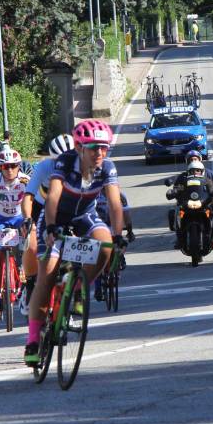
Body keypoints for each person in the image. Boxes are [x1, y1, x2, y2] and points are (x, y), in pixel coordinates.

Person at [24, 119, 126, 365]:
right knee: (46, 275)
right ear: (80, 147)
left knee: (105, 247)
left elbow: (114, 204)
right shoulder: (66, 162)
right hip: (56, 217)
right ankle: (33, 339)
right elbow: (54, 197)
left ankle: (78, 287)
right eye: (93, 148)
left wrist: (118, 235)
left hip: (85, 217)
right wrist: (49, 227)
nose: (99, 153)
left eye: (104, 147)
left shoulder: (107, 168)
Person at [24, 134, 75, 312]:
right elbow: (28, 196)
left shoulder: (81, 164)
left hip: (67, 207)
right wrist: (27, 219)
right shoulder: (44, 166)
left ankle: (73, 292)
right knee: (33, 246)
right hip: (41, 205)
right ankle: (31, 284)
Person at [0, 148, 33, 320]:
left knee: (30, 245)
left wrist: (30, 219)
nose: (9, 170)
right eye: (5, 167)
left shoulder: (26, 180)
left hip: (19, 217)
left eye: (13, 166)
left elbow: (32, 200)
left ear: (19, 166)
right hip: (0, 218)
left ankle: (25, 272)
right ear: (0, 168)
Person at [169, 150, 213, 247]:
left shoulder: (209, 175)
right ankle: (179, 235)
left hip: (206, 201)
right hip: (187, 202)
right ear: (187, 162)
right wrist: (174, 192)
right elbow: (177, 188)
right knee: (176, 211)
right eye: (191, 160)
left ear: (200, 160)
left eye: (195, 159)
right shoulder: (183, 176)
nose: (193, 161)